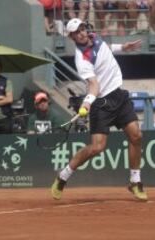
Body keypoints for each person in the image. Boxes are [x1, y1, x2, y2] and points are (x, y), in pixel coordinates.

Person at [50, 18, 148, 201]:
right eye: (76, 32)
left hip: (118, 96)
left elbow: (106, 48)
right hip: (100, 104)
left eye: (82, 29)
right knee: (97, 148)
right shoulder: (82, 60)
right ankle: (63, 176)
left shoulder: (96, 37)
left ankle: (135, 181)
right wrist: (87, 103)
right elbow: (94, 85)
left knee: (136, 135)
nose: (81, 33)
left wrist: (123, 48)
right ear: (72, 37)